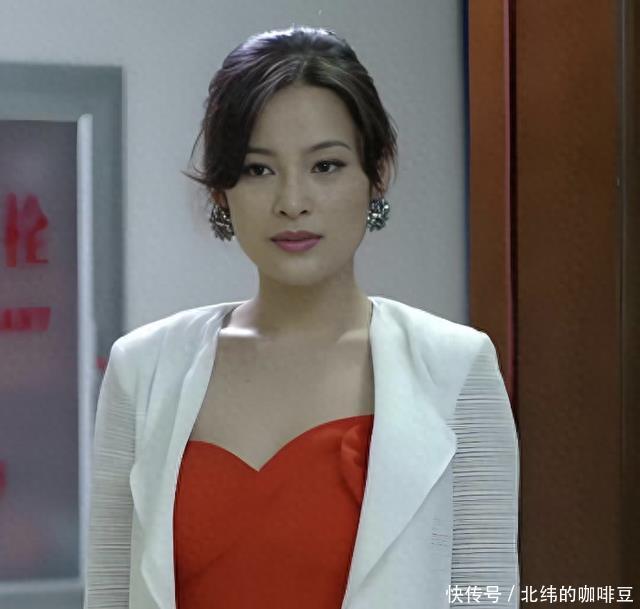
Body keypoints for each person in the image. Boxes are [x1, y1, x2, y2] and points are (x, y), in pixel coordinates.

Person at [83, 25, 520, 609]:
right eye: (258, 169)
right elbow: (111, 594)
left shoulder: (455, 368)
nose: (292, 201)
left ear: (376, 174)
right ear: (222, 191)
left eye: (326, 166)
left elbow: (485, 593)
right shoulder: (143, 368)